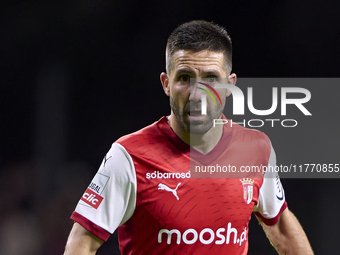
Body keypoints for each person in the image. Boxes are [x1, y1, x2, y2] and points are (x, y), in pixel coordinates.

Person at [64, 20, 313, 255]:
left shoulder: (257, 148)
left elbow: (280, 226)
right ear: (166, 83)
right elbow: (82, 244)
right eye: (185, 78)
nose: (197, 94)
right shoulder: (128, 155)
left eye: (211, 79)